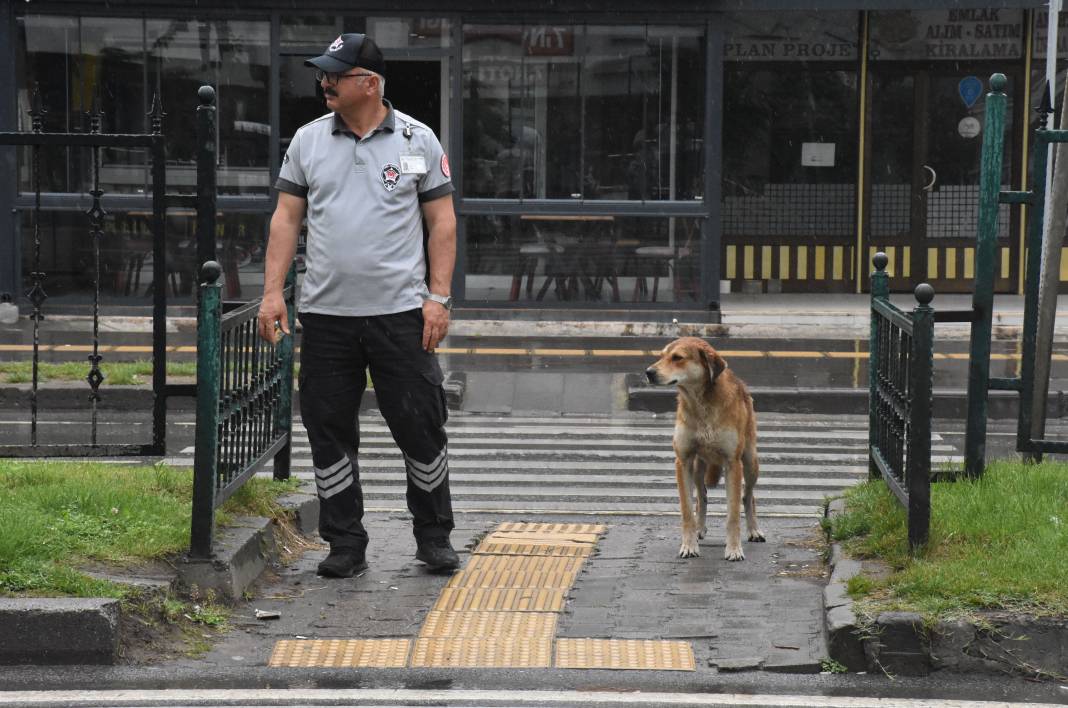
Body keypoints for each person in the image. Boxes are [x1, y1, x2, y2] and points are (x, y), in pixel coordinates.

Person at [256, 33, 459, 578]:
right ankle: (344, 543)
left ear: (368, 83)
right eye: (323, 74)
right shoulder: (307, 140)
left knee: (420, 427)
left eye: (335, 75)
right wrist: (273, 292)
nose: (323, 82)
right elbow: (286, 219)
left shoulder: (419, 139)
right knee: (328, 430)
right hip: (325, 319)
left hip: (401, 316)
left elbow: (441, 222)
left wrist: (438, 298)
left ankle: (433, 536)